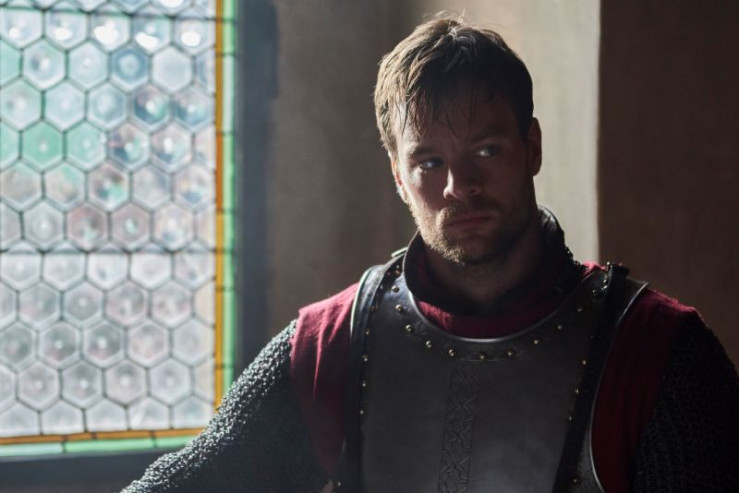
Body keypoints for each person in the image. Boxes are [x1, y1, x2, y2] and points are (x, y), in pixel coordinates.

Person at [124, 16, 739, 493]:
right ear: (398, 175)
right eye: (429, 162)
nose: (459, 186)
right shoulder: (333, 345)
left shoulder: (654, 352)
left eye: (487, 151)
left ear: (532, 147)